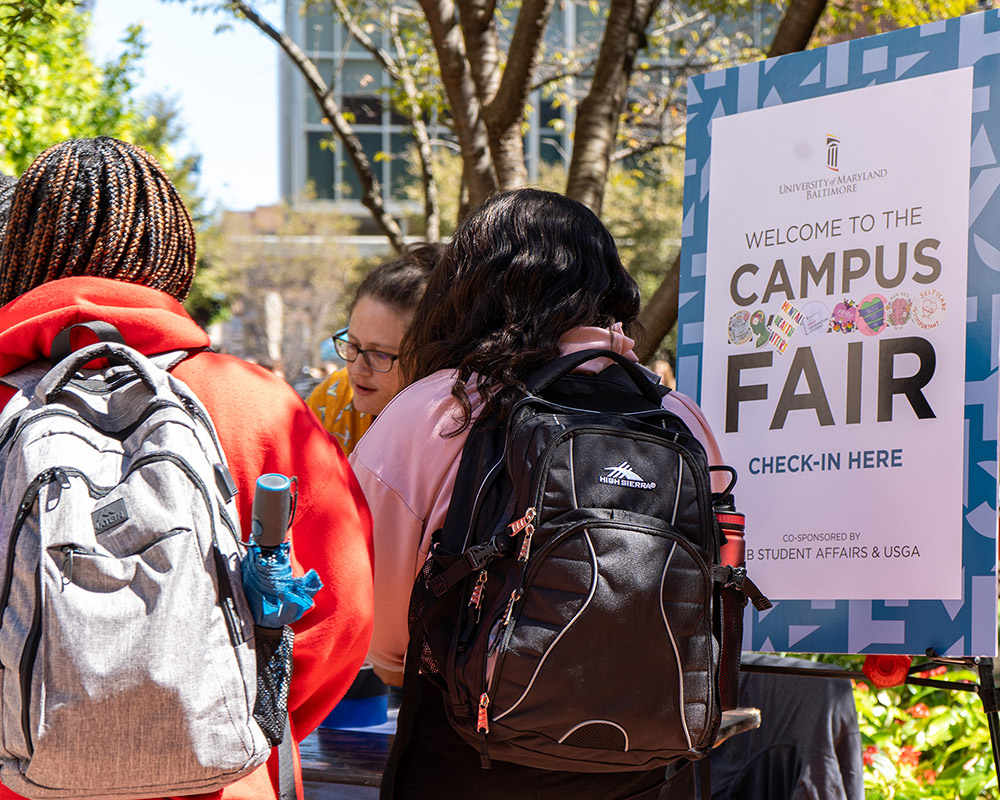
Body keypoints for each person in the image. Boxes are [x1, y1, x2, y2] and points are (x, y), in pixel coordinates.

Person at [0, 137, 375, 800]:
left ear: (18, 247)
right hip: (222, 781)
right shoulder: (257, 405)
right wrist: (245, 718)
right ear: (172, 249)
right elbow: (341, 611)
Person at [349, 188, 724, 799]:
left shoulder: (440, 409)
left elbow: (374, 618)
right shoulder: (679, 418)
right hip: (648, 760)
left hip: (466, 753)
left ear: (467, 286)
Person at [307, 242, 440, 455]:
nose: (357, 369)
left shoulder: (451, 435)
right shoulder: (332, 398)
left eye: (379, 354)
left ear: (431, 357)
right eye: (353, 344)